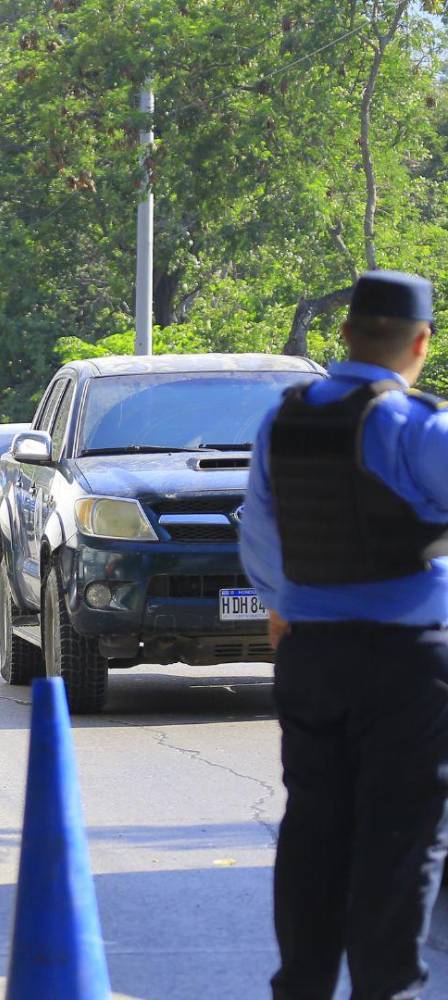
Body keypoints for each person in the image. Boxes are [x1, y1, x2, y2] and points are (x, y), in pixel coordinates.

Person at [240, 270, 448, 999]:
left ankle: (302, 986)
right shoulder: (420, 425)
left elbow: (260, 533)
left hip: (310, 651)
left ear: (346, 332)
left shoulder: (284, 419)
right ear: (421, 342)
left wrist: (283, 604)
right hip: (406, 664)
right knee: (401, 840)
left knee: (313, 832)